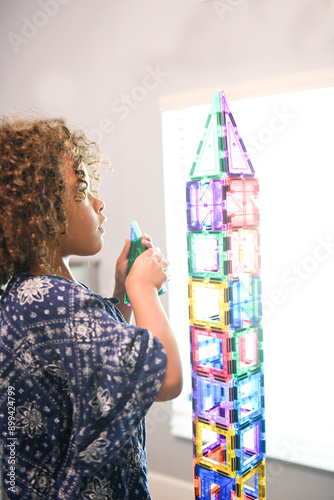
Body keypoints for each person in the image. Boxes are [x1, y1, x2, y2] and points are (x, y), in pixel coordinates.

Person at [0, 117, 183, 499]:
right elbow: (166, 380)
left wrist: (120, 294)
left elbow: (96, 356)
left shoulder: (38, 292)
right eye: (81, 190)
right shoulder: (51, 303)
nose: (99, 203)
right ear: (42, 214)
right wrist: (143, 288)